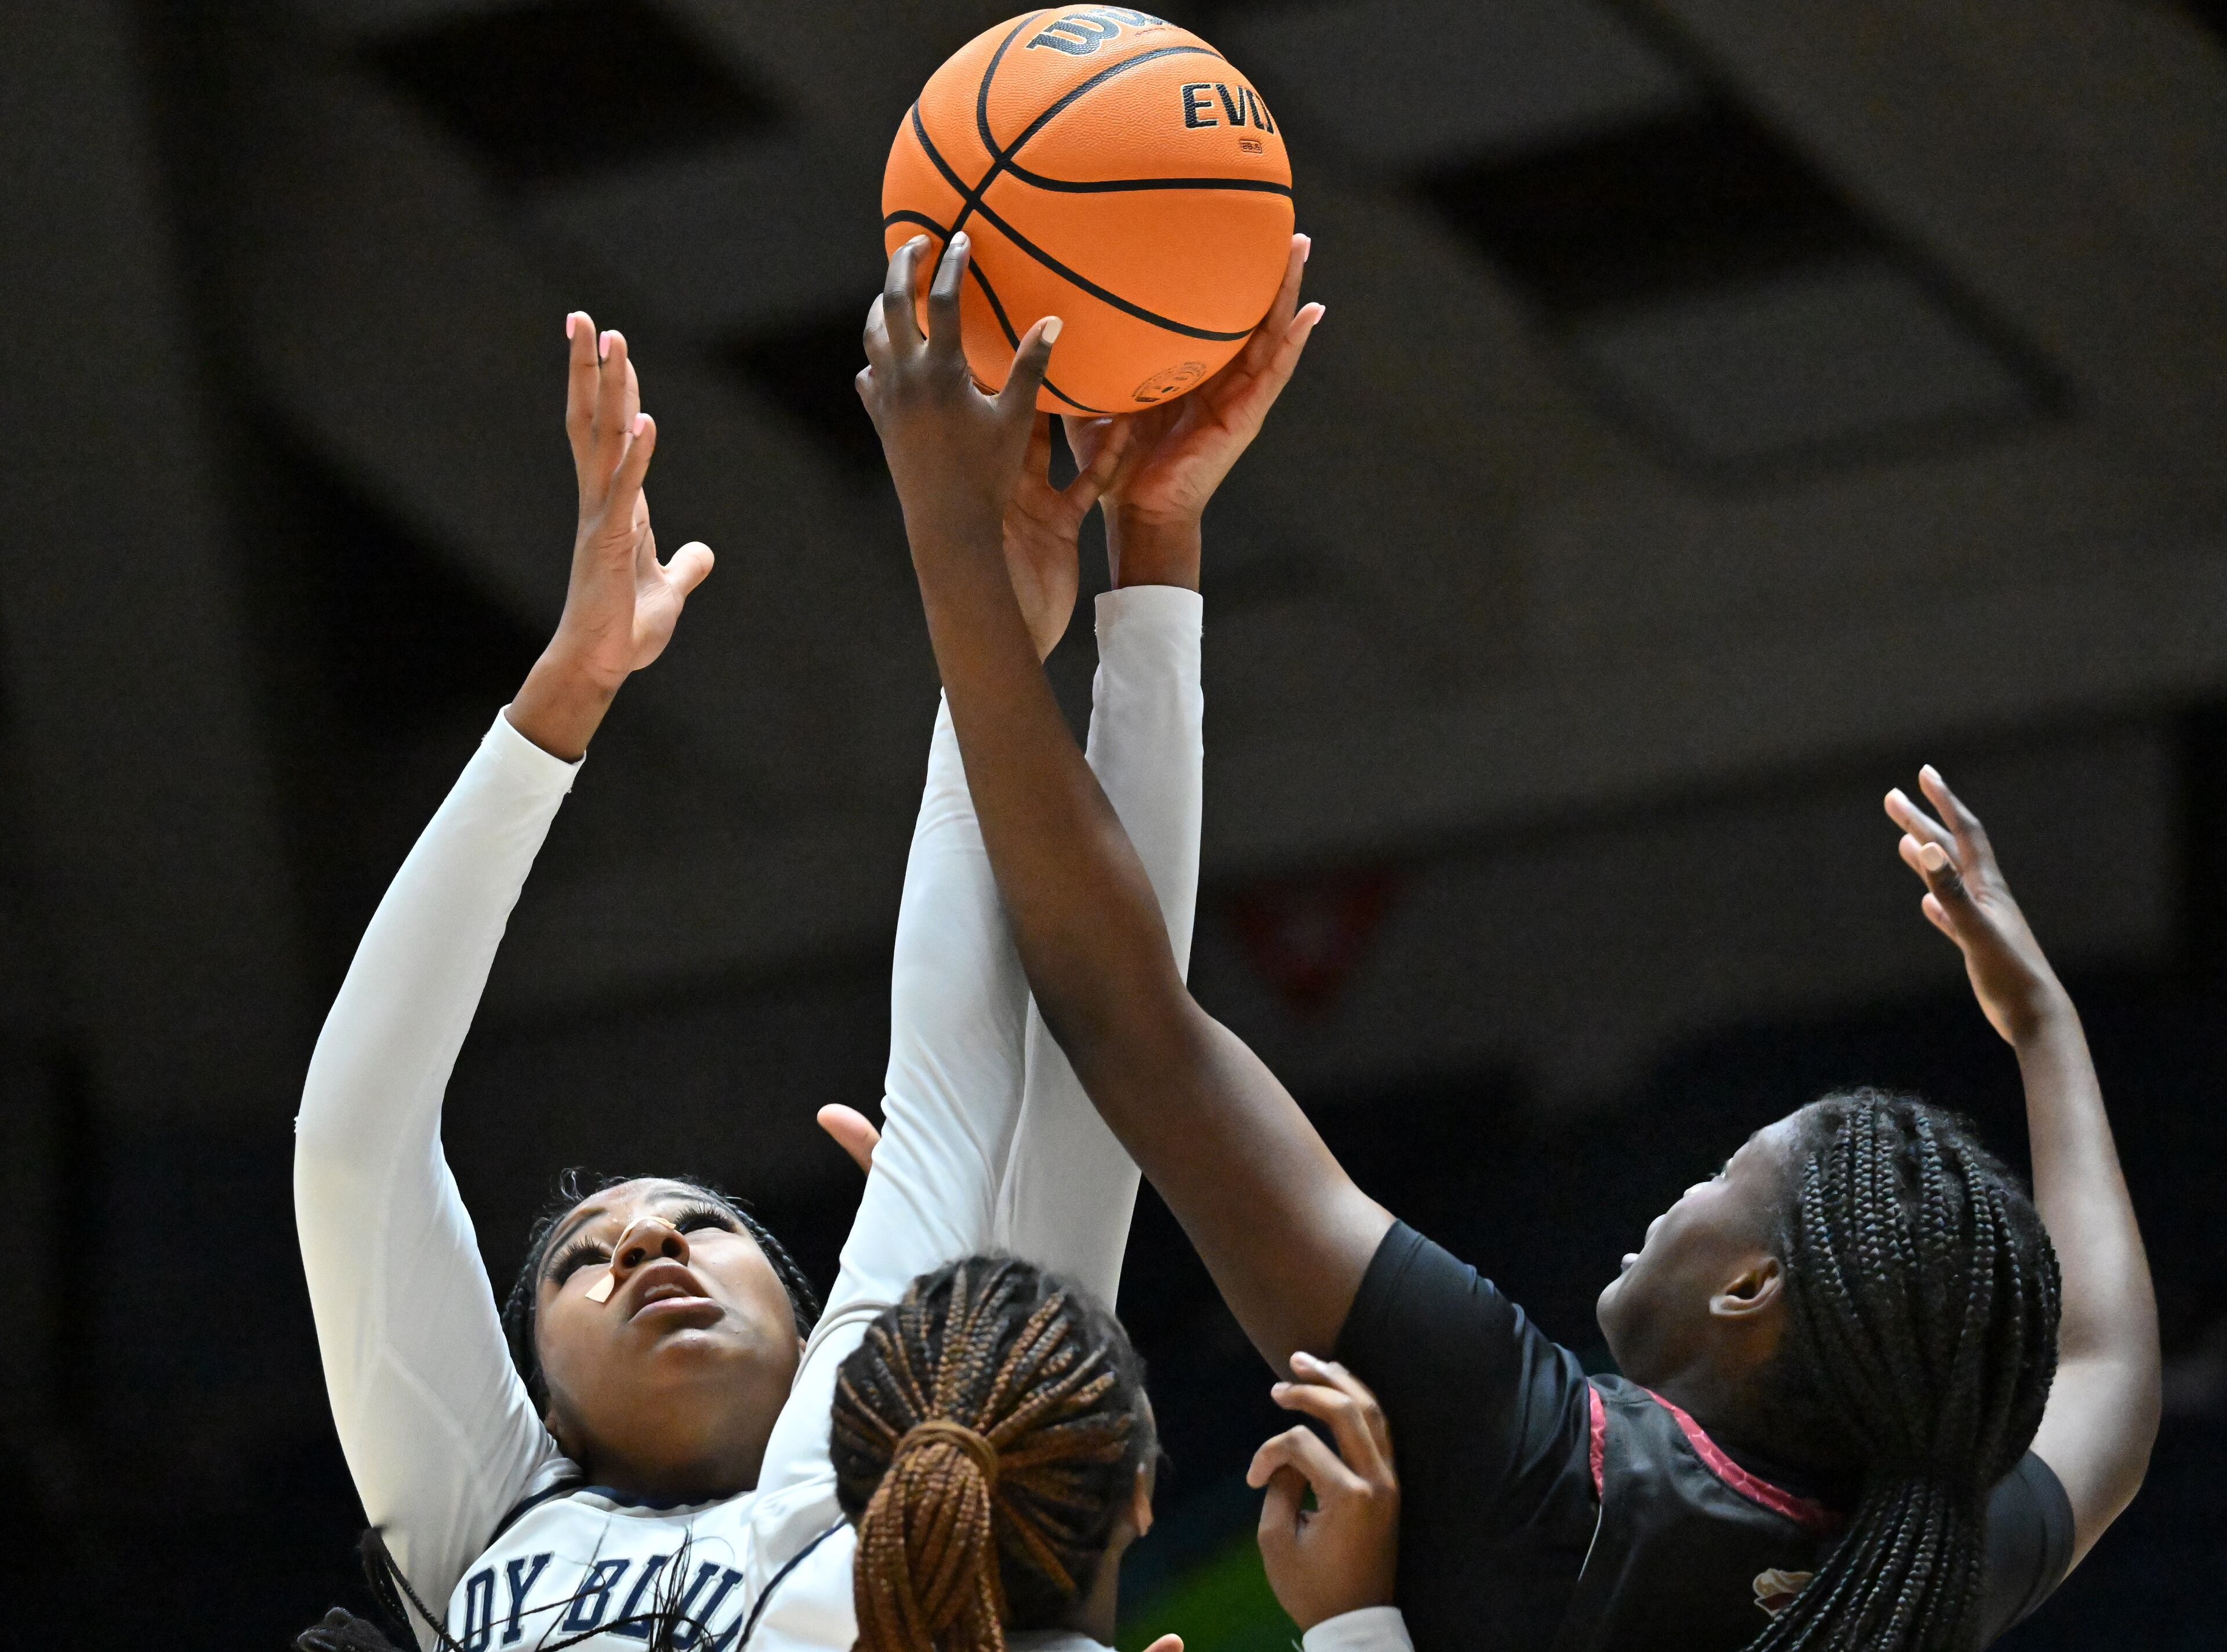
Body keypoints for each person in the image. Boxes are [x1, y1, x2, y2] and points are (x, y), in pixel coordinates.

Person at [855, 229, 2162, 1652]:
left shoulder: (1555, 1462)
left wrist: (963, 541)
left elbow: (1129, 1020)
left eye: (1726, 1177)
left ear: (1752, 1290)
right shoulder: (1920, 1567)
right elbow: (2114, 1378)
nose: (1678, 1193)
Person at [295, 284, 1408, 1652]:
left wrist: (1028, 632)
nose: (648, 1242)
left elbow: (1049, 1061)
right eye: (582, 1263)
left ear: (820, 1332)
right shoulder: (489, 1519)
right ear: (534, 1403)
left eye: (702, 1227)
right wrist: (560, 698)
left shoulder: (882, 1478)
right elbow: (352, 1148)